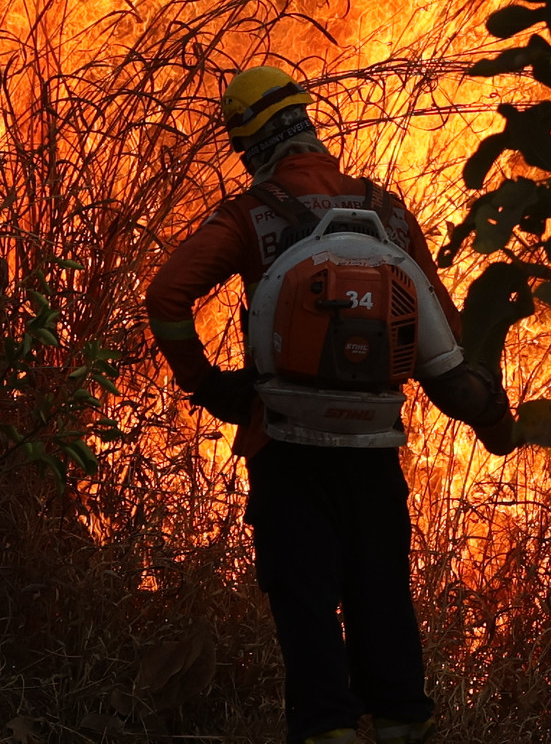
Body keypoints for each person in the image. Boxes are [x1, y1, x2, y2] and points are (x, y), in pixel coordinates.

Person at [145, 65, 515, 744]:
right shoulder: (388, 214)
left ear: (248, 142)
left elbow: (165, 298)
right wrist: (498, 422)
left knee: (306, 604)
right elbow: (448, 342)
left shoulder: (249, 217)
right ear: (308, 124)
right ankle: (403, 718)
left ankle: (328, 729)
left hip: (283, 448)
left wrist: (208, 383)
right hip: (375, 450)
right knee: (382, 593)